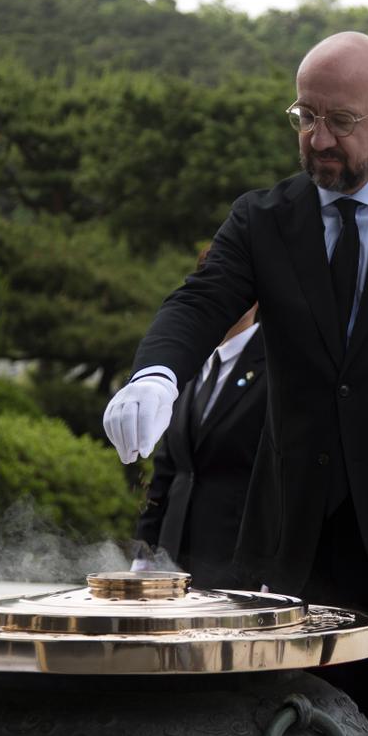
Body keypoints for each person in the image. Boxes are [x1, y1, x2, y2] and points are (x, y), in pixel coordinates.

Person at [103, 31, 368, 736]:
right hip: (288, 548)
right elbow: (200, 300)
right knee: (289, 727)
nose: (318, 138)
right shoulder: (264, 218)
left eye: (341, 120)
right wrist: (155, 372)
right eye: (305, 117)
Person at [133, 251, 265, 589]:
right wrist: (145, 548)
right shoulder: (186, 365)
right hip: (175, 553)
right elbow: (167, 465)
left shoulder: (275, 365)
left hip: (237, 556)